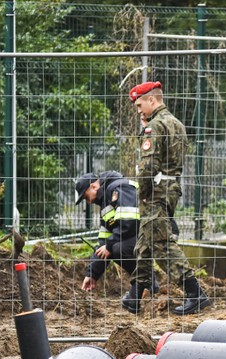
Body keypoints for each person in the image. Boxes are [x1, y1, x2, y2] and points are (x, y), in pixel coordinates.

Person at [123, 80, 210, 315]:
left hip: (156, 191)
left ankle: (195, 292)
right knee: (144, 244)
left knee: (161, 246)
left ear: (152, 99)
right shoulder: (177, 124)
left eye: (140, 104)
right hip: (170, 188)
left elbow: (148, 166)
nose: (139, 110)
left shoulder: (155, 126)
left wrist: (141, 194)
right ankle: (134, 295)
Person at [75, 170, 149, 297]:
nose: (88, 202)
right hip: (140, 236)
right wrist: (92, 274)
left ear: (94, 186)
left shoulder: (119, 187)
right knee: (113, 247)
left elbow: (130, 222)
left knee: (117, 249)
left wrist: (109, 246)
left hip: (152, 233)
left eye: (86, 197)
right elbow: (103, 242)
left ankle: (148, 282)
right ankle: (144, 285)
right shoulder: (106, 203)